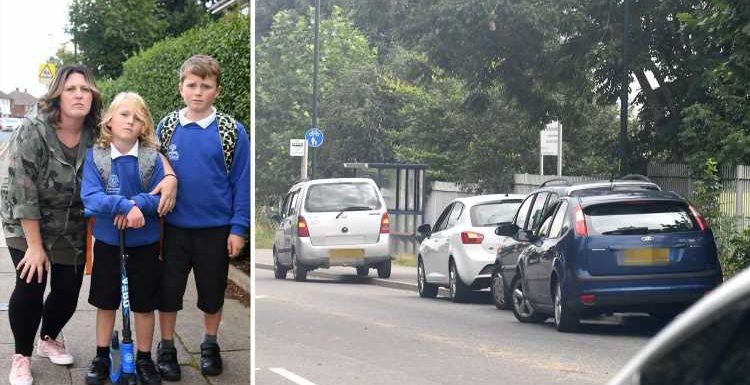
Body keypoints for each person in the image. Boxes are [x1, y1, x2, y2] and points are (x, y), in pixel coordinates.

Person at [1, 66, 176, 385]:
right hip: (26, 220)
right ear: (57, 94)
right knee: (32, 281)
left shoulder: (98, 130)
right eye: (71, 88)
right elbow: (21, 190)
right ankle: (22, 356)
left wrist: (170, 178)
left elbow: (149, 148)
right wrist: (36, 247)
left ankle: (49, 338)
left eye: (85, 88)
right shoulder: (33, 128)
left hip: (72, 221)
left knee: (68, 291)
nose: (79, 94)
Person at [155, 55, 249, 380]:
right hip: (173, 230)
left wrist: (238, 228)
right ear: (181, 88)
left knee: (211, 294)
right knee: (168, 293)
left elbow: (242, 182)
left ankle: (210, 344)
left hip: (215, 231)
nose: (198, 92)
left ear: (217, 91)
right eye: (191, 85)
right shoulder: (166, 128)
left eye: (205, 86)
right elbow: (153, 173)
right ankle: (166, 346)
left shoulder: (231, 131)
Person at [81, 92, 166, 385]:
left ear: (145, 125)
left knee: (143, 304)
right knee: (106, 302)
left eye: (138, 117)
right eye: (124, 115)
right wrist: (122, 206)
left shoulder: (152, 159)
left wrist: (137, 205)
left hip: (143, 244)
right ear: (109, 121)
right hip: (107, 242)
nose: (130, 121)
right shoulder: (97, 157)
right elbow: (90, 197)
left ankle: (143, 357)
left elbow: (161, 200)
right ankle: (102, 355)